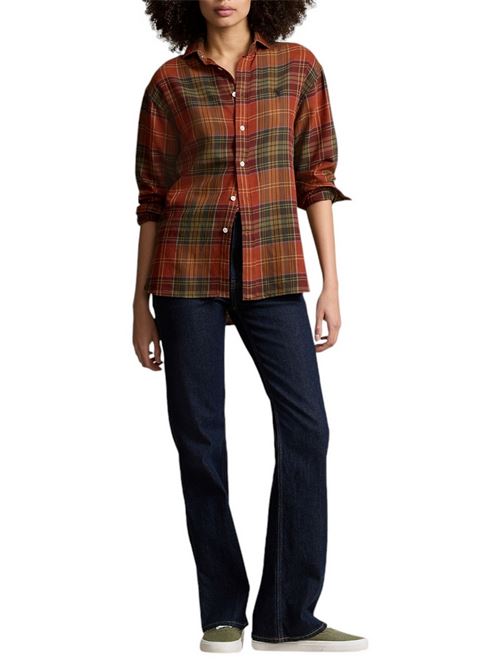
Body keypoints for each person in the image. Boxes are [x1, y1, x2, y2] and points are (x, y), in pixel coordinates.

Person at [132, 0, 367, 653]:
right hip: (185, 273)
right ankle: (222, 611)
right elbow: (152, 199)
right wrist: (138, 304)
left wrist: (331, 283)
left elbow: (314, 180)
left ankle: (287, 615)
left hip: (274, 269)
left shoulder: (298, 69)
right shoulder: (170, 83)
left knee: (307, 428)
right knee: (200, 440)